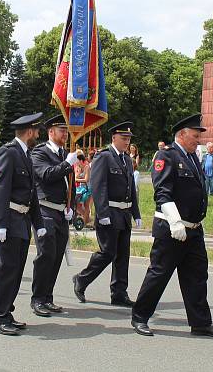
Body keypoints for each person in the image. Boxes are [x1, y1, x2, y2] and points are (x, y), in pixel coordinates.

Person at [131, 114, 213, 338]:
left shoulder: (193, 157)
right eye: (195, 136)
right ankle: (140, 316)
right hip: (172, 229)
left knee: (196, 276)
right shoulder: (167, 156)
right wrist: (175, 221)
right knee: (159, 274)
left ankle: (200, 323)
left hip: (193, 229)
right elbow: (162, 193)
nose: (198, 140)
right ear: (182, 135)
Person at [0, 113, 46, 336]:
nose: (38, 134)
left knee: (17, 271)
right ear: (29, 132)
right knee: (7, 270)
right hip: (7, 221)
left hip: (20, 221)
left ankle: (7, 311)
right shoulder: (8, 152)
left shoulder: (25, 154)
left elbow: (31, 194)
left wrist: (38, 222)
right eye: (37, 131)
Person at [72, 121, 142, 308]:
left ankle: (119, 292)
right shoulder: (104, 157)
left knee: (122, 256)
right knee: (107, 253)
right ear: (114, 138)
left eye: (128, 139)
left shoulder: (127, 159)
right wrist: (102, 213)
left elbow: (131, 189)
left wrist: (136, 213)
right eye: (123, 138)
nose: (126, 142)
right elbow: (98, 186)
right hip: (109, 212)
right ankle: (81, 279)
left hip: (124, 212)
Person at [29, 115, 78, 317]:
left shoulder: (64, 154)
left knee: (56, 256)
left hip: (60, 212)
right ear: (51, 132)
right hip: (44, 210)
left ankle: (47, 297)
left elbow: (71, 184)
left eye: (66, 130)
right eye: (61, 130)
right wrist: (67, 163)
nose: (65, 134)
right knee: (46, 255)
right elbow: (47, 175)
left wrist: (71, 206)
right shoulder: (40, 152)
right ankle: (38, 298)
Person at [74, 150, 92, 227]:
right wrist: (78, 172)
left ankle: (85, 221)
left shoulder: (87, 167)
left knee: (86, 205)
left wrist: (78, 179)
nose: (76, 163)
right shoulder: (78, 167)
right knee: (77, 204)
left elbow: (86, 180)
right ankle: (87, 219)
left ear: (81, 160)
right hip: (81, 188)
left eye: (77, 161)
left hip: (88, 188)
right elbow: (76, 177)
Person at [200, 142, 213, 206]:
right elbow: (202, 164)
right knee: (205, 190)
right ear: (207, 148)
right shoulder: (204, 156)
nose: (210, 148)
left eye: (212, 147)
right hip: (205, 175)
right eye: (209, 147)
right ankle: (206, 203)